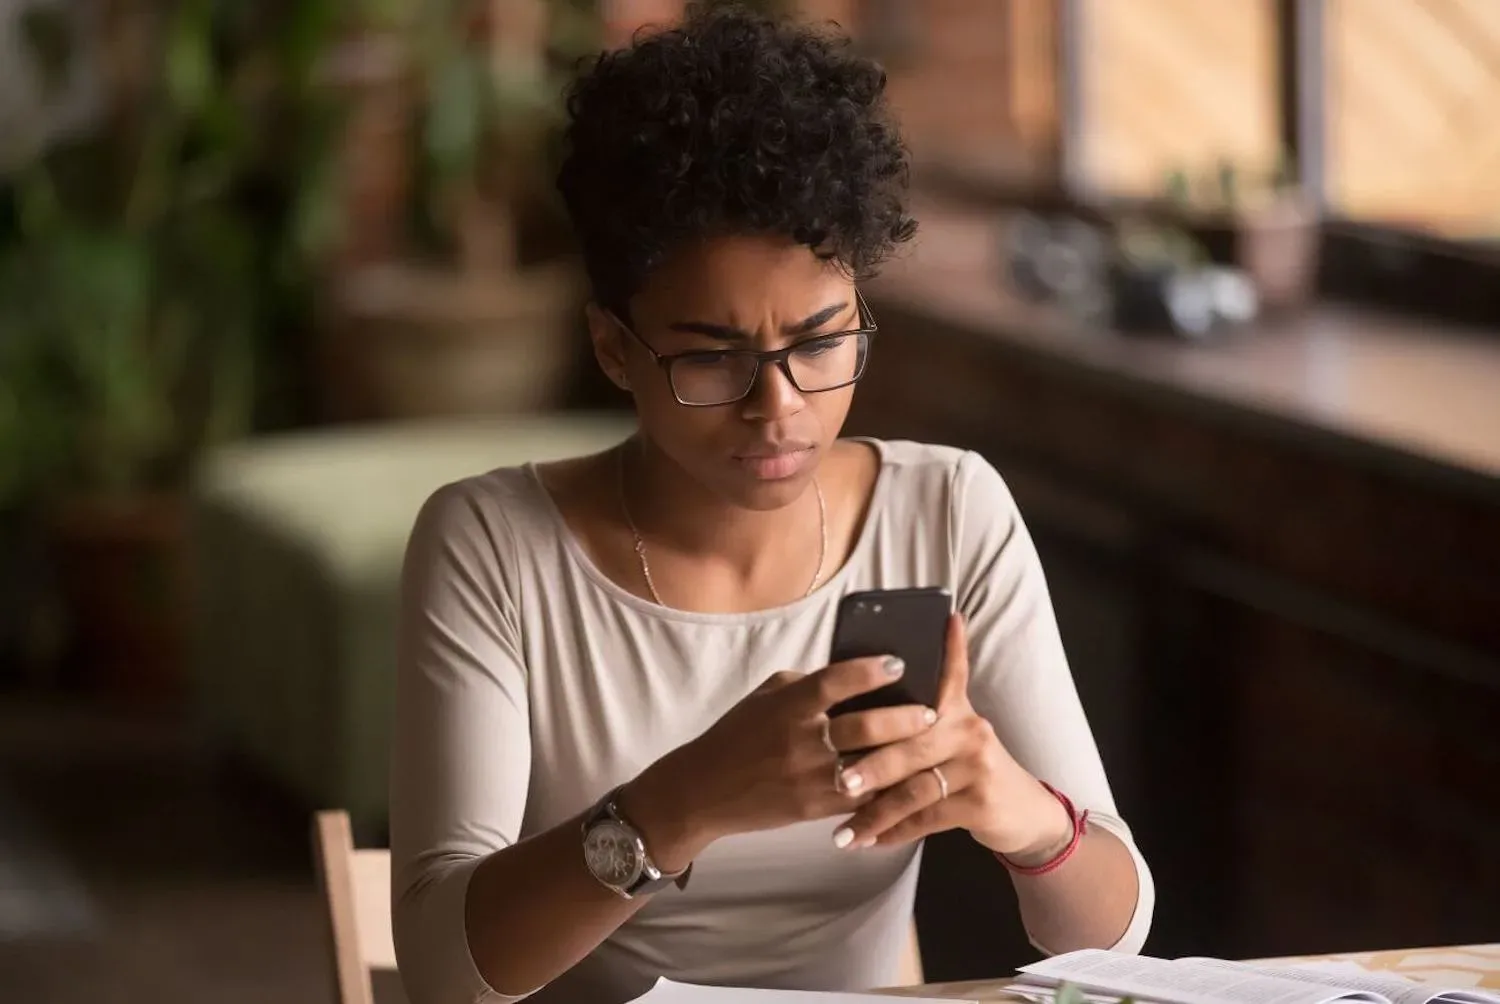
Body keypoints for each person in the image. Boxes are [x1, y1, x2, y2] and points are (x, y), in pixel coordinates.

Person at [388, 5, 1153, 1003]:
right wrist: (684, 801)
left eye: (822, 341)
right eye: (714, 355)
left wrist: (1019, 810)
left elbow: (1118, 938)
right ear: (615, 346)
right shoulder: (492, 546)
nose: (779, 406)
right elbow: (447, 972)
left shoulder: (948, 510)